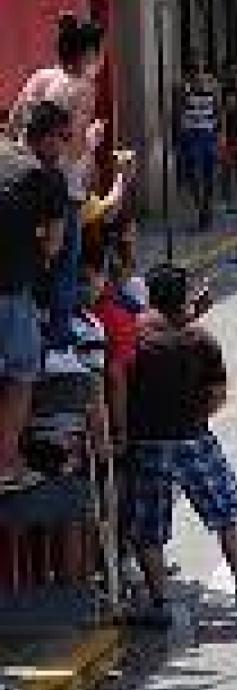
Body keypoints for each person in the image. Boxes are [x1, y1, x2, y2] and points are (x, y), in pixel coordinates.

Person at [125, 263, 237, 627]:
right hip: (194, 438)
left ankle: (159, 603)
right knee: (228, 513)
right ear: (182, 299)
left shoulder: (136, 335)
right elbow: (217, 395)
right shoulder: (201, 340)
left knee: (148, 527)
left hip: (147, 442)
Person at [9, 13, 106, 375]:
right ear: (89, 54)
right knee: (65, 265)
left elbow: (16, 122)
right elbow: (75, 148)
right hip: (61, 188)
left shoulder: (39, 78)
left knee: (32, 262)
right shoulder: (81, 88)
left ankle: (32, 331)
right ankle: (59, 342)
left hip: (22, 181)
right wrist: (93, 140)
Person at [0, 102, 70, 493]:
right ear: (45, 138)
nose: (64, 147)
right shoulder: (46, 177)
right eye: (63, 138)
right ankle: (6, 464)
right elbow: (55, 246)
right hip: (10, 289)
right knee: (21, 374)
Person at [177, 61, 222, 229]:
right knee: (193, 173)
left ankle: (207, 205)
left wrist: (220, 133)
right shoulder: (184, 88)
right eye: (195, 71)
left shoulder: (212, 87)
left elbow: (219, 109)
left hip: (208, 133)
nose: (199, 75)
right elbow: (179, 111)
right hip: (191, 134)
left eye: (201, 71)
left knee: (209, 173)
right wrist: (181, 133)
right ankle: (201, 206)